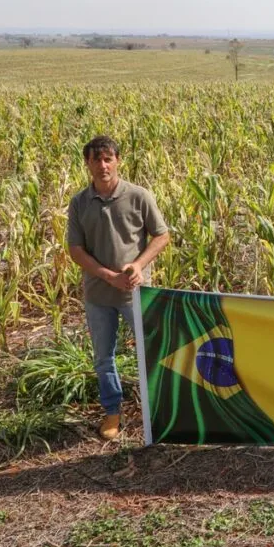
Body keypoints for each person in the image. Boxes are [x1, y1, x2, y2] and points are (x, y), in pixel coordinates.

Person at [67, 136, 170, 440]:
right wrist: (107, 276)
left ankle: (156, 411)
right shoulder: (79, 203)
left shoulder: (138, 196)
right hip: (99, 295)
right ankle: (113, 412)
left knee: (150, 351)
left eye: (108, 159)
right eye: (96, 160)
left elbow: (161, 236)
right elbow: (76, 250)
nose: (103, 165)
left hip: (135, 293)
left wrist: (138, 266)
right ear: (87, 164)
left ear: (118, 161)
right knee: (103, 357)